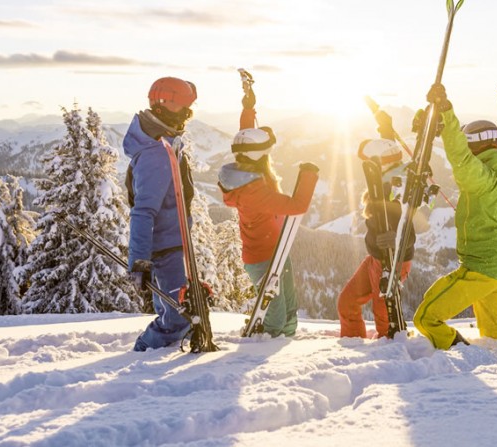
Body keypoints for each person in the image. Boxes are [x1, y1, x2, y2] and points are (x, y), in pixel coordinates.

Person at [413, 83, 497, 349]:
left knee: (426, 318)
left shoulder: (483, 179)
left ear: (476, 145)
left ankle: (458, 351)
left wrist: (447, 112)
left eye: (469, 141)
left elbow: (460, 157)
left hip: (482, 269)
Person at [218, 85, 319, 337]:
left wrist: (248, 109)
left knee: (289, 304)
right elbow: (297, 206)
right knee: (275, 312)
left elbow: (245, 139)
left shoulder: (247, 173)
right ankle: (269, 345)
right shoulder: (253, 191)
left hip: (276, 249)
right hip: (264, 258)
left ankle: (288, 337)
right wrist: (309, 174)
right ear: (261, 155)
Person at [124, 76, 198, 351]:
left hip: (172, 244)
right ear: (164, 106)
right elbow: (143, 211)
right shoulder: (156, 153)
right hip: (165, 249)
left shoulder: (165, 143)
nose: (188, 115)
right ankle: (144, 352)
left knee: (178, 311)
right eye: (183, 108)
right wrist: (139, 259)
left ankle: (154, 357)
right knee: (176, 319)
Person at [337, 138, 415, 338]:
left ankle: (389, 353)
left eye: (370, 164)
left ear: (383, 163)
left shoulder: (397, 188)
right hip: (376, 257)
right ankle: (351, 343)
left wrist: (396, 238)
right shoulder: (380, 183)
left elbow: (410, 229)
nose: (366, 169)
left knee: (385, 316)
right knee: (347, 303)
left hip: (392, 260)